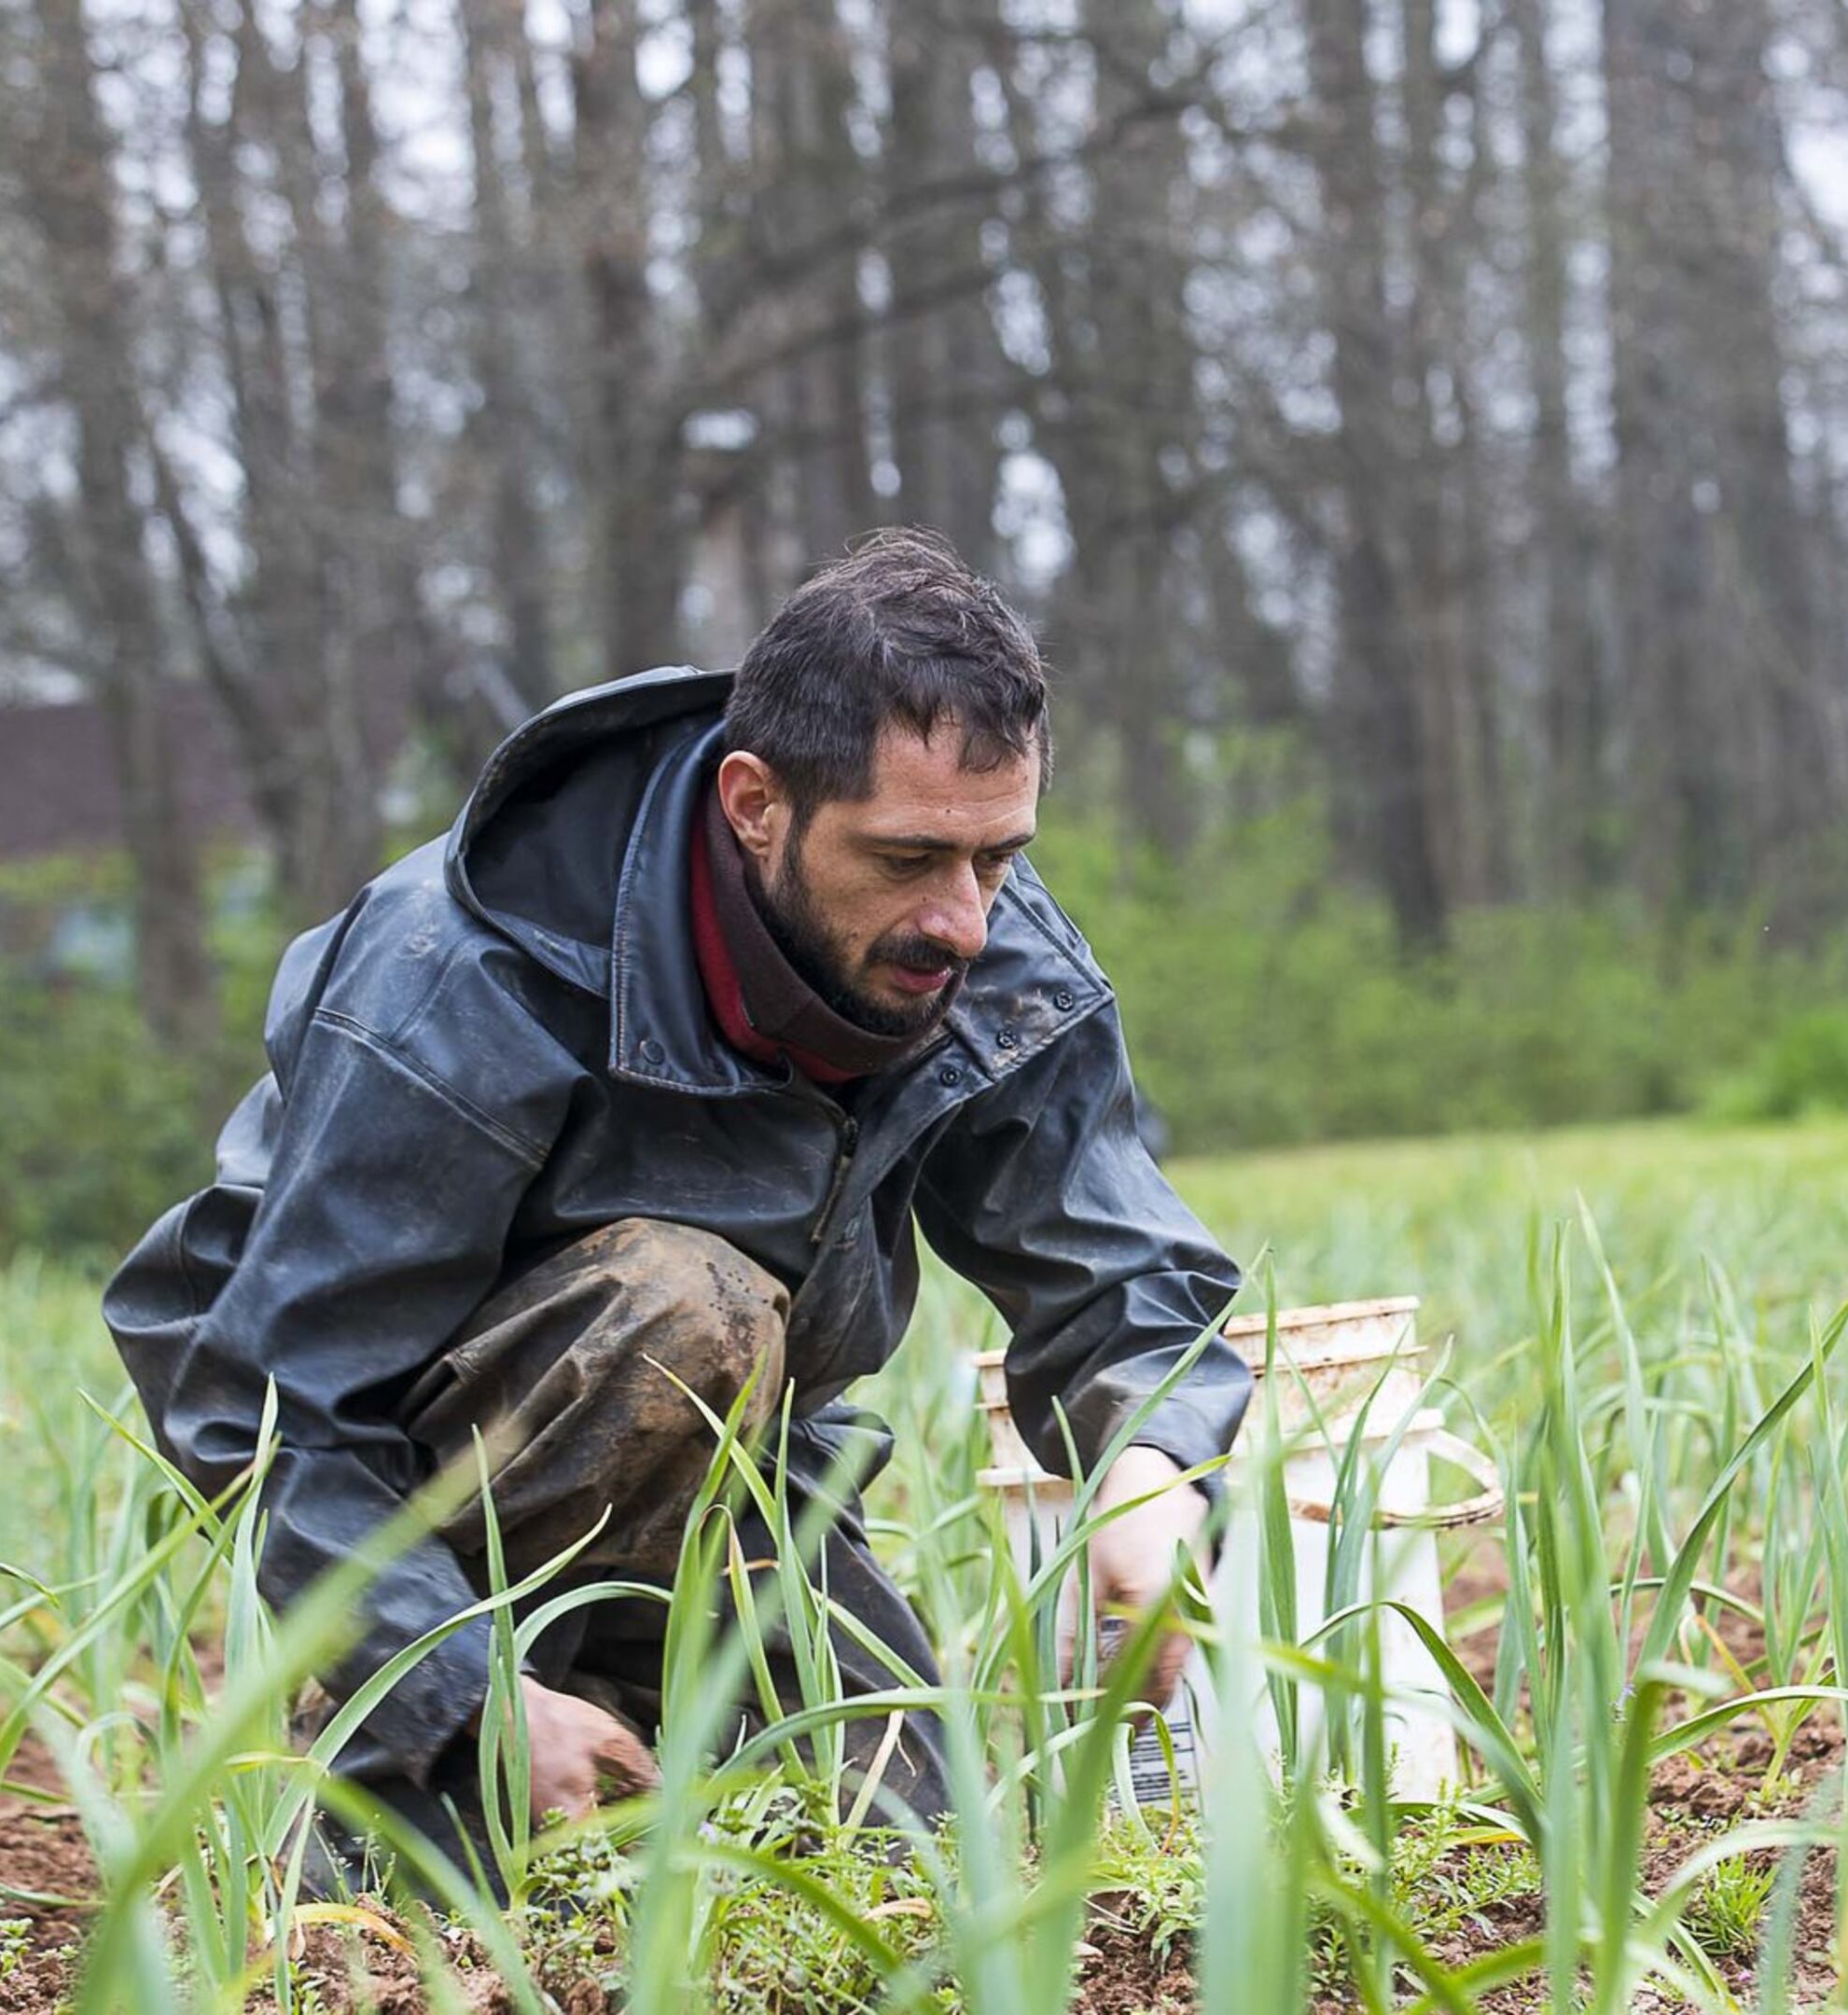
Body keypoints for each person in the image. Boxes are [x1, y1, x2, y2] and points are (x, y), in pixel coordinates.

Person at [104, 530, 1249, 1874]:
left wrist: (1153, 1472)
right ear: (756, 803)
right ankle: (393, 1797)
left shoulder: (980, 946)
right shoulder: (463, 978)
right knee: (681, 1302)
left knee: (921, 1866)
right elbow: (284, 1407)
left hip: (753, 1459)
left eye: (998, 857)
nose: (965, 921)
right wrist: (462, 1694)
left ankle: (635, 1716)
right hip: (398, 1466)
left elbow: (1121, 1279)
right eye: (907, 859)